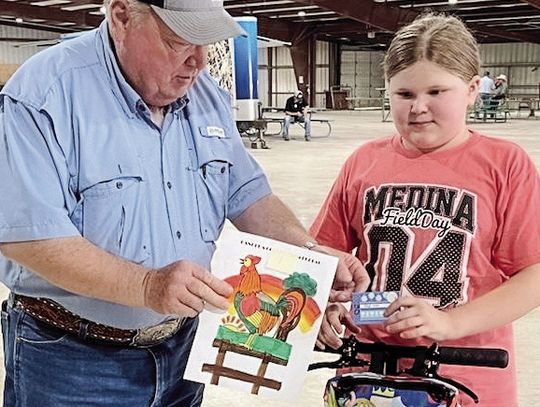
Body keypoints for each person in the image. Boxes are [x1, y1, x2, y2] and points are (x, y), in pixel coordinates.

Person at [0, 0, 367, 406]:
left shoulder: (203, 93)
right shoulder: (44, 94)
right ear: (121, 16)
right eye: (178, 42)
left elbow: (247, 195)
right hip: (73, 360)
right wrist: (145, 285)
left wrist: (311, 254)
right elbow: (28, 237)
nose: (197, 61)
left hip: (184, 351)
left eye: (205, 43)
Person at [312, 13, 540, 407]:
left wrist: (450, 322)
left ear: (471, 90)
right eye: (404, 95)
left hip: (467, 371)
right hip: (365, 369)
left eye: (436, 92)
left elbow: (533, 273)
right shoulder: (363, 161)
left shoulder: (505, 164)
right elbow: (319, 252)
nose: (418, 108)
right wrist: (323, 304)